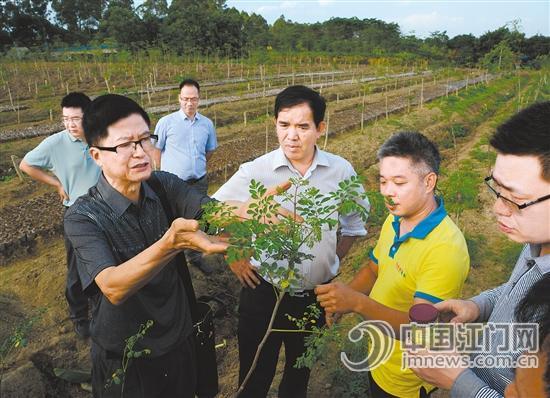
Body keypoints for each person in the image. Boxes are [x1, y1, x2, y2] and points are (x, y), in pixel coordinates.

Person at [64, 94, 283, 398]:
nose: (141, 153)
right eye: (126, 145)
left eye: (145, 140)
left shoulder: (162, 185)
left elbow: (210, 210)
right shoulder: (83, 217)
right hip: (126, 358)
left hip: (179, 340)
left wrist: (249, 209)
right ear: (97, 155)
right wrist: (170, 244)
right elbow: (113, 286)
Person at [213, 85, 370, 397]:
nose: (291, 136)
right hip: (263, 291)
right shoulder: (256, 171)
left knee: (298, 375)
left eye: (302, 126)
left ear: (320, 128)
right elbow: (211, 213)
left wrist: (330, 263)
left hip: (313, 297)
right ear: (275, 124)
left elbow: (353, 226)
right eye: (284, 125)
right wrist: (234, 252)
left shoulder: (340, 171)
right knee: (254, 375)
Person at [410, 101, 550, 397]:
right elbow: (519, 287)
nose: (498, 209)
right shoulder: (538, 239)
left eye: (515, 198)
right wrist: (479, 306)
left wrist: (457, 380)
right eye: (497, 189)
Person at [315, 131, 470, 397]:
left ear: (429, 181)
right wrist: (342, 302)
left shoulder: (445, 249)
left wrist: (357, 303)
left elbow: (419, 332)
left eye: (399, 182)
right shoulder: (396, 219)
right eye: (383, 181)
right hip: (382, 356)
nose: (388, 192)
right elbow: (374, 268)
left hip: (408, 376)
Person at [19, 92, 99, 338]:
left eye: (76, 118)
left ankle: (103, 311)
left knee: (106, 262)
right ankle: (79, 316)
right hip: (77, 212)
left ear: (89, 116)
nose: (70, 124)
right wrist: (55, 183)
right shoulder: (56, 143)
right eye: (66, 119)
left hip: (106, 208)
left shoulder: (101, 136)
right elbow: (26, 165)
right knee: (76, 267)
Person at [152, 78, 218, 274]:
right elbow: (156, 149)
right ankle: (170, 261)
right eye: (186, 99)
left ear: (199, 99)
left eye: (194, 99)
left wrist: (196, 166)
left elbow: (209, 150)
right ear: (179, 99)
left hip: (198, 183)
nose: (190, 103)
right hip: (172, 185)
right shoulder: (166, 122)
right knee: (169, 221)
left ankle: (195, 257)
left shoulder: (207, 124)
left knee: (196, 221)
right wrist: (159, 171)